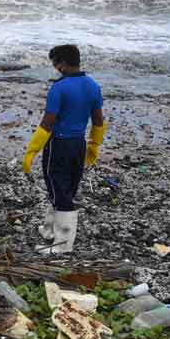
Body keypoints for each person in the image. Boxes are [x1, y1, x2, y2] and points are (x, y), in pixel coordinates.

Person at [21, 44, 106, 254]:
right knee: (66, 188)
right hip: (79, 144)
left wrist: (32, 151)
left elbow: (47, 123)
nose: (55, 67)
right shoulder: (93, 86)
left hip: (59, 144)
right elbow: (98, 120)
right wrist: (94, 145)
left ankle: (62, 245)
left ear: (63, 63)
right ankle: (50, 229)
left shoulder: (59, 88)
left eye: (55, 63)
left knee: (58, 190)